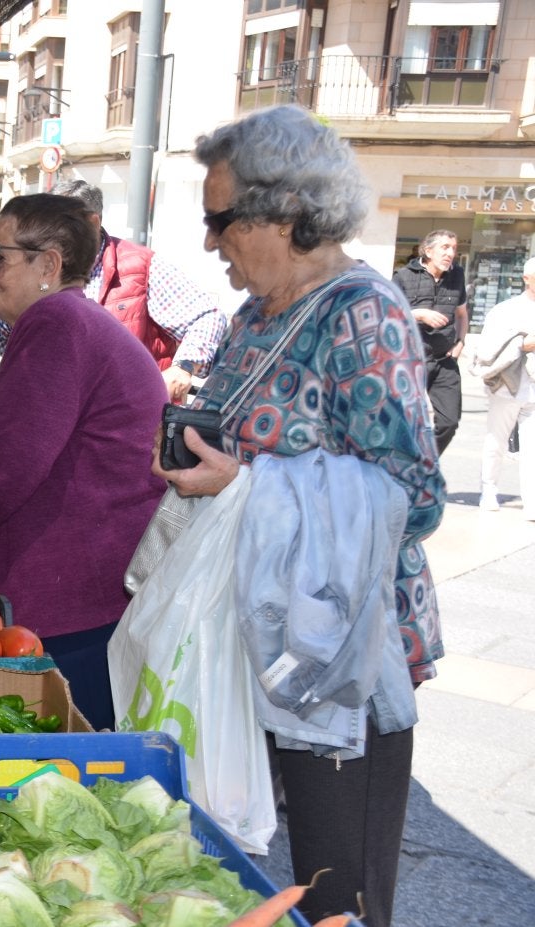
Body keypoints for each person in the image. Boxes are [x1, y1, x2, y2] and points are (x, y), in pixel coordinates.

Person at [172, 104, 444, 927]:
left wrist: (245, 485)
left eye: (221, 219)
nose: (213, 241)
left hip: (340, 657)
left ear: (285, 213)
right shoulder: (256, 316)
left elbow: (412, 493)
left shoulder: (367, 313)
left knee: (336, 889)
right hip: (258, 631)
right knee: (244, 864)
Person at [0, 195, 166, 731]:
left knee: (62, 755)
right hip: (89, 585)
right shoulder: (71, 319)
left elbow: (6, 464)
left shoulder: (58, 322)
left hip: (74, 595)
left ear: (49, 264)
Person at [0, 178, 226, 404]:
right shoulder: (44, 266)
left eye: (57, 227)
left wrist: (183, 367)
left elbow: (207, 317)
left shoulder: (141, 266)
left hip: (129, 421)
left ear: (93, 223)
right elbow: (3, 342)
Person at [393, 228, 468, 454]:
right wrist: (418, 314)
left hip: (444, 359)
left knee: (449, 422)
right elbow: (388, 314)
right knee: (404, 422)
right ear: (428, 251)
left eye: (453, 248)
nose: (450, 253)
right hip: (410, 360)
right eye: (444, 247)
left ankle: (424, 463)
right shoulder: (403, 277)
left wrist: (461, 341)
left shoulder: (457, 275)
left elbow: (462, 313)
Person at [473, 256, 535, 517]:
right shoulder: (506, 309)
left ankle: (531, 501)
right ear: (526, 279)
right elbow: (488, 346)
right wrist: (521, 344)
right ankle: (489, 489)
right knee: (496, 441)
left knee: (532, 447)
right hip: (508, 385)